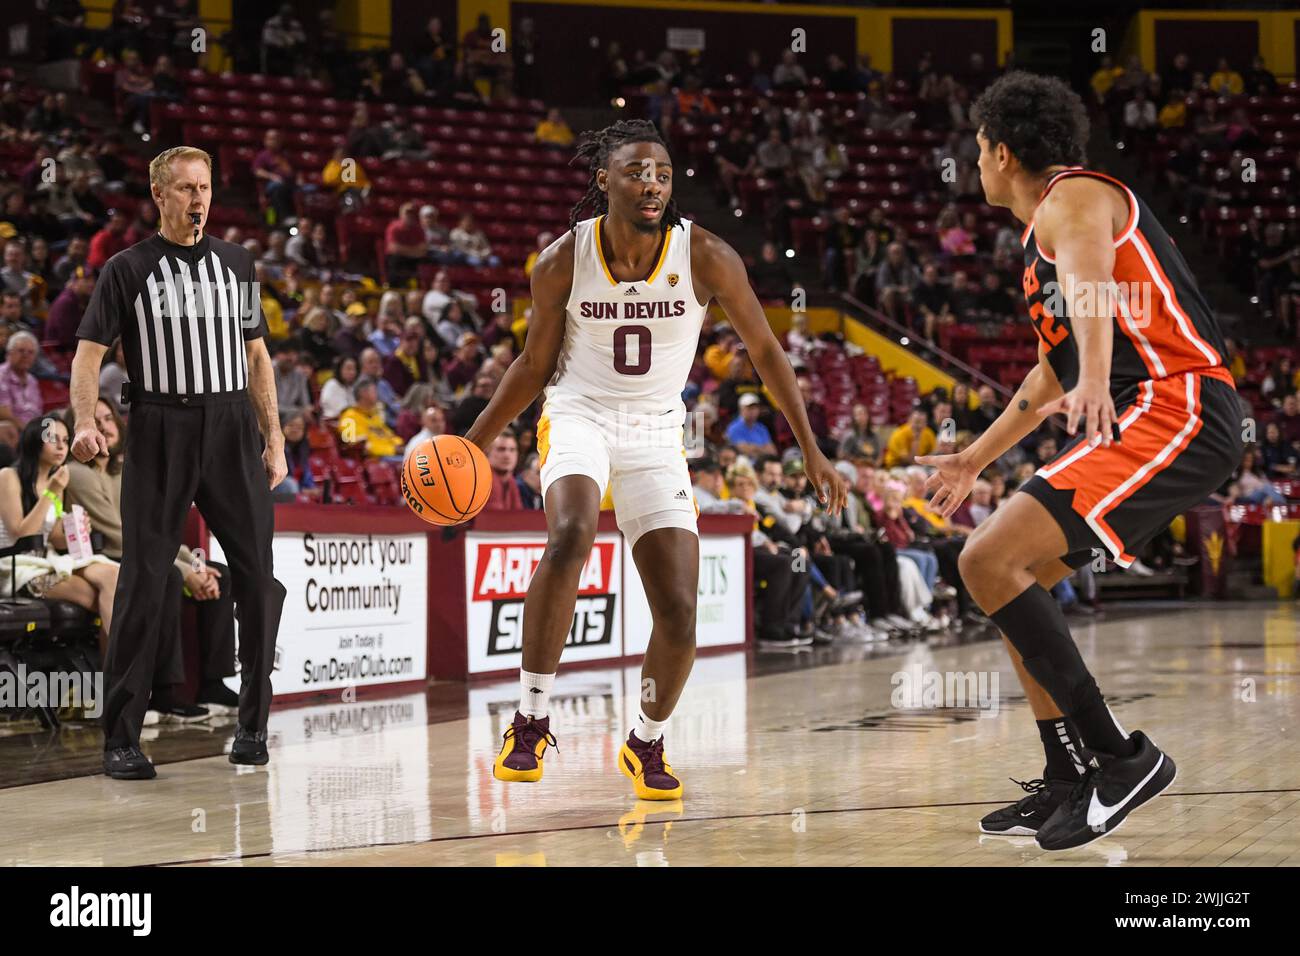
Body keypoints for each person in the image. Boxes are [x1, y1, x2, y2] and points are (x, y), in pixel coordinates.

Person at [463, 119, 846, 801]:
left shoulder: (707, 255)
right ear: (604, 179)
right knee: (572, 533)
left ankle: (644, 739)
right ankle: (530, 718)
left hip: (657, 430)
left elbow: (765, 353)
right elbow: (533, 364)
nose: (651, 184)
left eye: (663, 174)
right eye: (637, 172)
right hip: (578, 411)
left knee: (677, 611)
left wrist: (811, 449)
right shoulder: (561, 260)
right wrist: (475, 438)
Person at [919, 73, 1243, 851]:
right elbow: (1045, 376)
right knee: (1010, 584)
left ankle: (1121, 759)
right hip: (1148, 406)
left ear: (1000, 151)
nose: (977, 162)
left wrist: (1097, 378)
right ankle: (1065, 775)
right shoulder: (1042, 236)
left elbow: (1092, 289)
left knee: (987, 558)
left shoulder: (1075, 198)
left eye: (978, 150)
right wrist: (972, 457)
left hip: (1179, 402)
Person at [69, 146, 287, 780]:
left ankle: (252, 726)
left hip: (229, 427)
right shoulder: (126, 269)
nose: (199, 199)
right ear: (159, 194)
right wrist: (85, 418)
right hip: (160, 425)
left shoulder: (238, 264)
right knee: (142, 579)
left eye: (206, 186)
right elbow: (87, 356)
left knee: (256, 576)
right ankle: (122, 739)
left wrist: (272, 437)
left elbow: (256, 357)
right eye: (187, 188)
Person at [65, 398, 239, 719]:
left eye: (108, 418)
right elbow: (120, 531)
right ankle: (163, 691)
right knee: (168, 578)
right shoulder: (77, 474)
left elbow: (159, 525)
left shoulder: (125, 469)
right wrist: (183, 570)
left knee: (221, 575)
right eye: (96, 421)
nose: (104, 426)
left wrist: (193, 564)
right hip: (110, 556)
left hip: (147, 551)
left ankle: (213, 683)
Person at [0, 415, 119, 651]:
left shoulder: (56, 483)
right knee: (103, 598)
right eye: (53, 439)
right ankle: (113, 677)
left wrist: (80, 531)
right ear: (34, 440)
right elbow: (20, 533)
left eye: (65, 440)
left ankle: (115, 676)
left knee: (114, 577)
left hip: (47, 558)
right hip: (13, 563)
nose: (62, 446)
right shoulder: (8, 476)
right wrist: (51, 492)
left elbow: (54, 538)